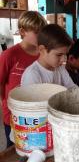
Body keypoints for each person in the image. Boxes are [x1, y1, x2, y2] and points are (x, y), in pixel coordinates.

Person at [0, 11, 47, 148]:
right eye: (37, 33)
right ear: (22, 31)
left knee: (37, 148)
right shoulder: (9, 55)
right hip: (13, 116)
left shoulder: (43, 54)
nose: (41, 37)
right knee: (15, 148)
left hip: (38, 114)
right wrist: (5, 104)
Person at [21, 24, 76, 89]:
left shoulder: (60, 68)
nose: (64, 59)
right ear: (42, 50)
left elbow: (72, 88)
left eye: (66, 54)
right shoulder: (32, 74)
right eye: (59, 55)